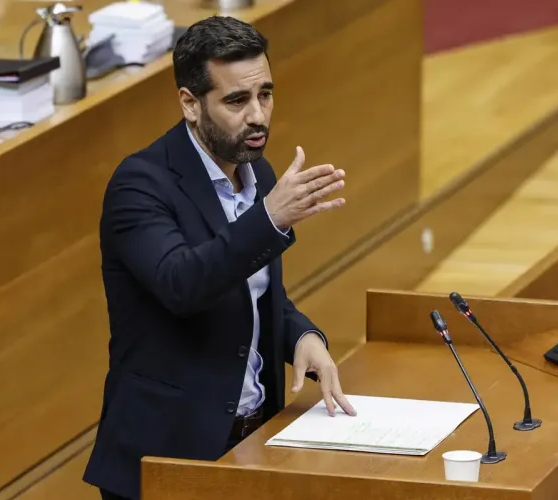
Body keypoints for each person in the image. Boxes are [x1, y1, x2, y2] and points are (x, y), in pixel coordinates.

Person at [82, 15, 357, 500]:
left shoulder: (259, 174)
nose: (258, 115)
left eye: (265, 95)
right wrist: (269, 219)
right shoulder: (140, 185)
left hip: (253, 441)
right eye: (237, 100)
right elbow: (182, 284)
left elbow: (254, 292)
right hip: (168, 459)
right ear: (191, 103)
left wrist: (300, 335)